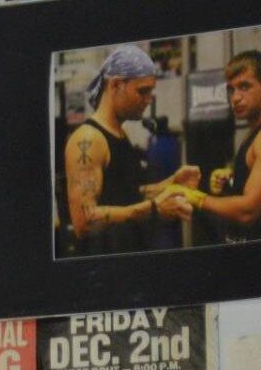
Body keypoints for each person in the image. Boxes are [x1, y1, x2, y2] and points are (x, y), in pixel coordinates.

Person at [63, 45, 198, 254]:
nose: (148, 99)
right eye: (142, 91)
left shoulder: (119, 133)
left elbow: (126, 193)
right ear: (116, 85)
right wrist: (153, 208)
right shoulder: (89, 139)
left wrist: (170, 184)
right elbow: (84, 222)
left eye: (150, 91)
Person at [179, 50, 261, 243]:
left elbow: (248, 211)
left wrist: (195, 197)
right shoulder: (253, 132)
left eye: (245, 87)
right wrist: (232, 180)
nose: (235, 98)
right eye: (231, 89)